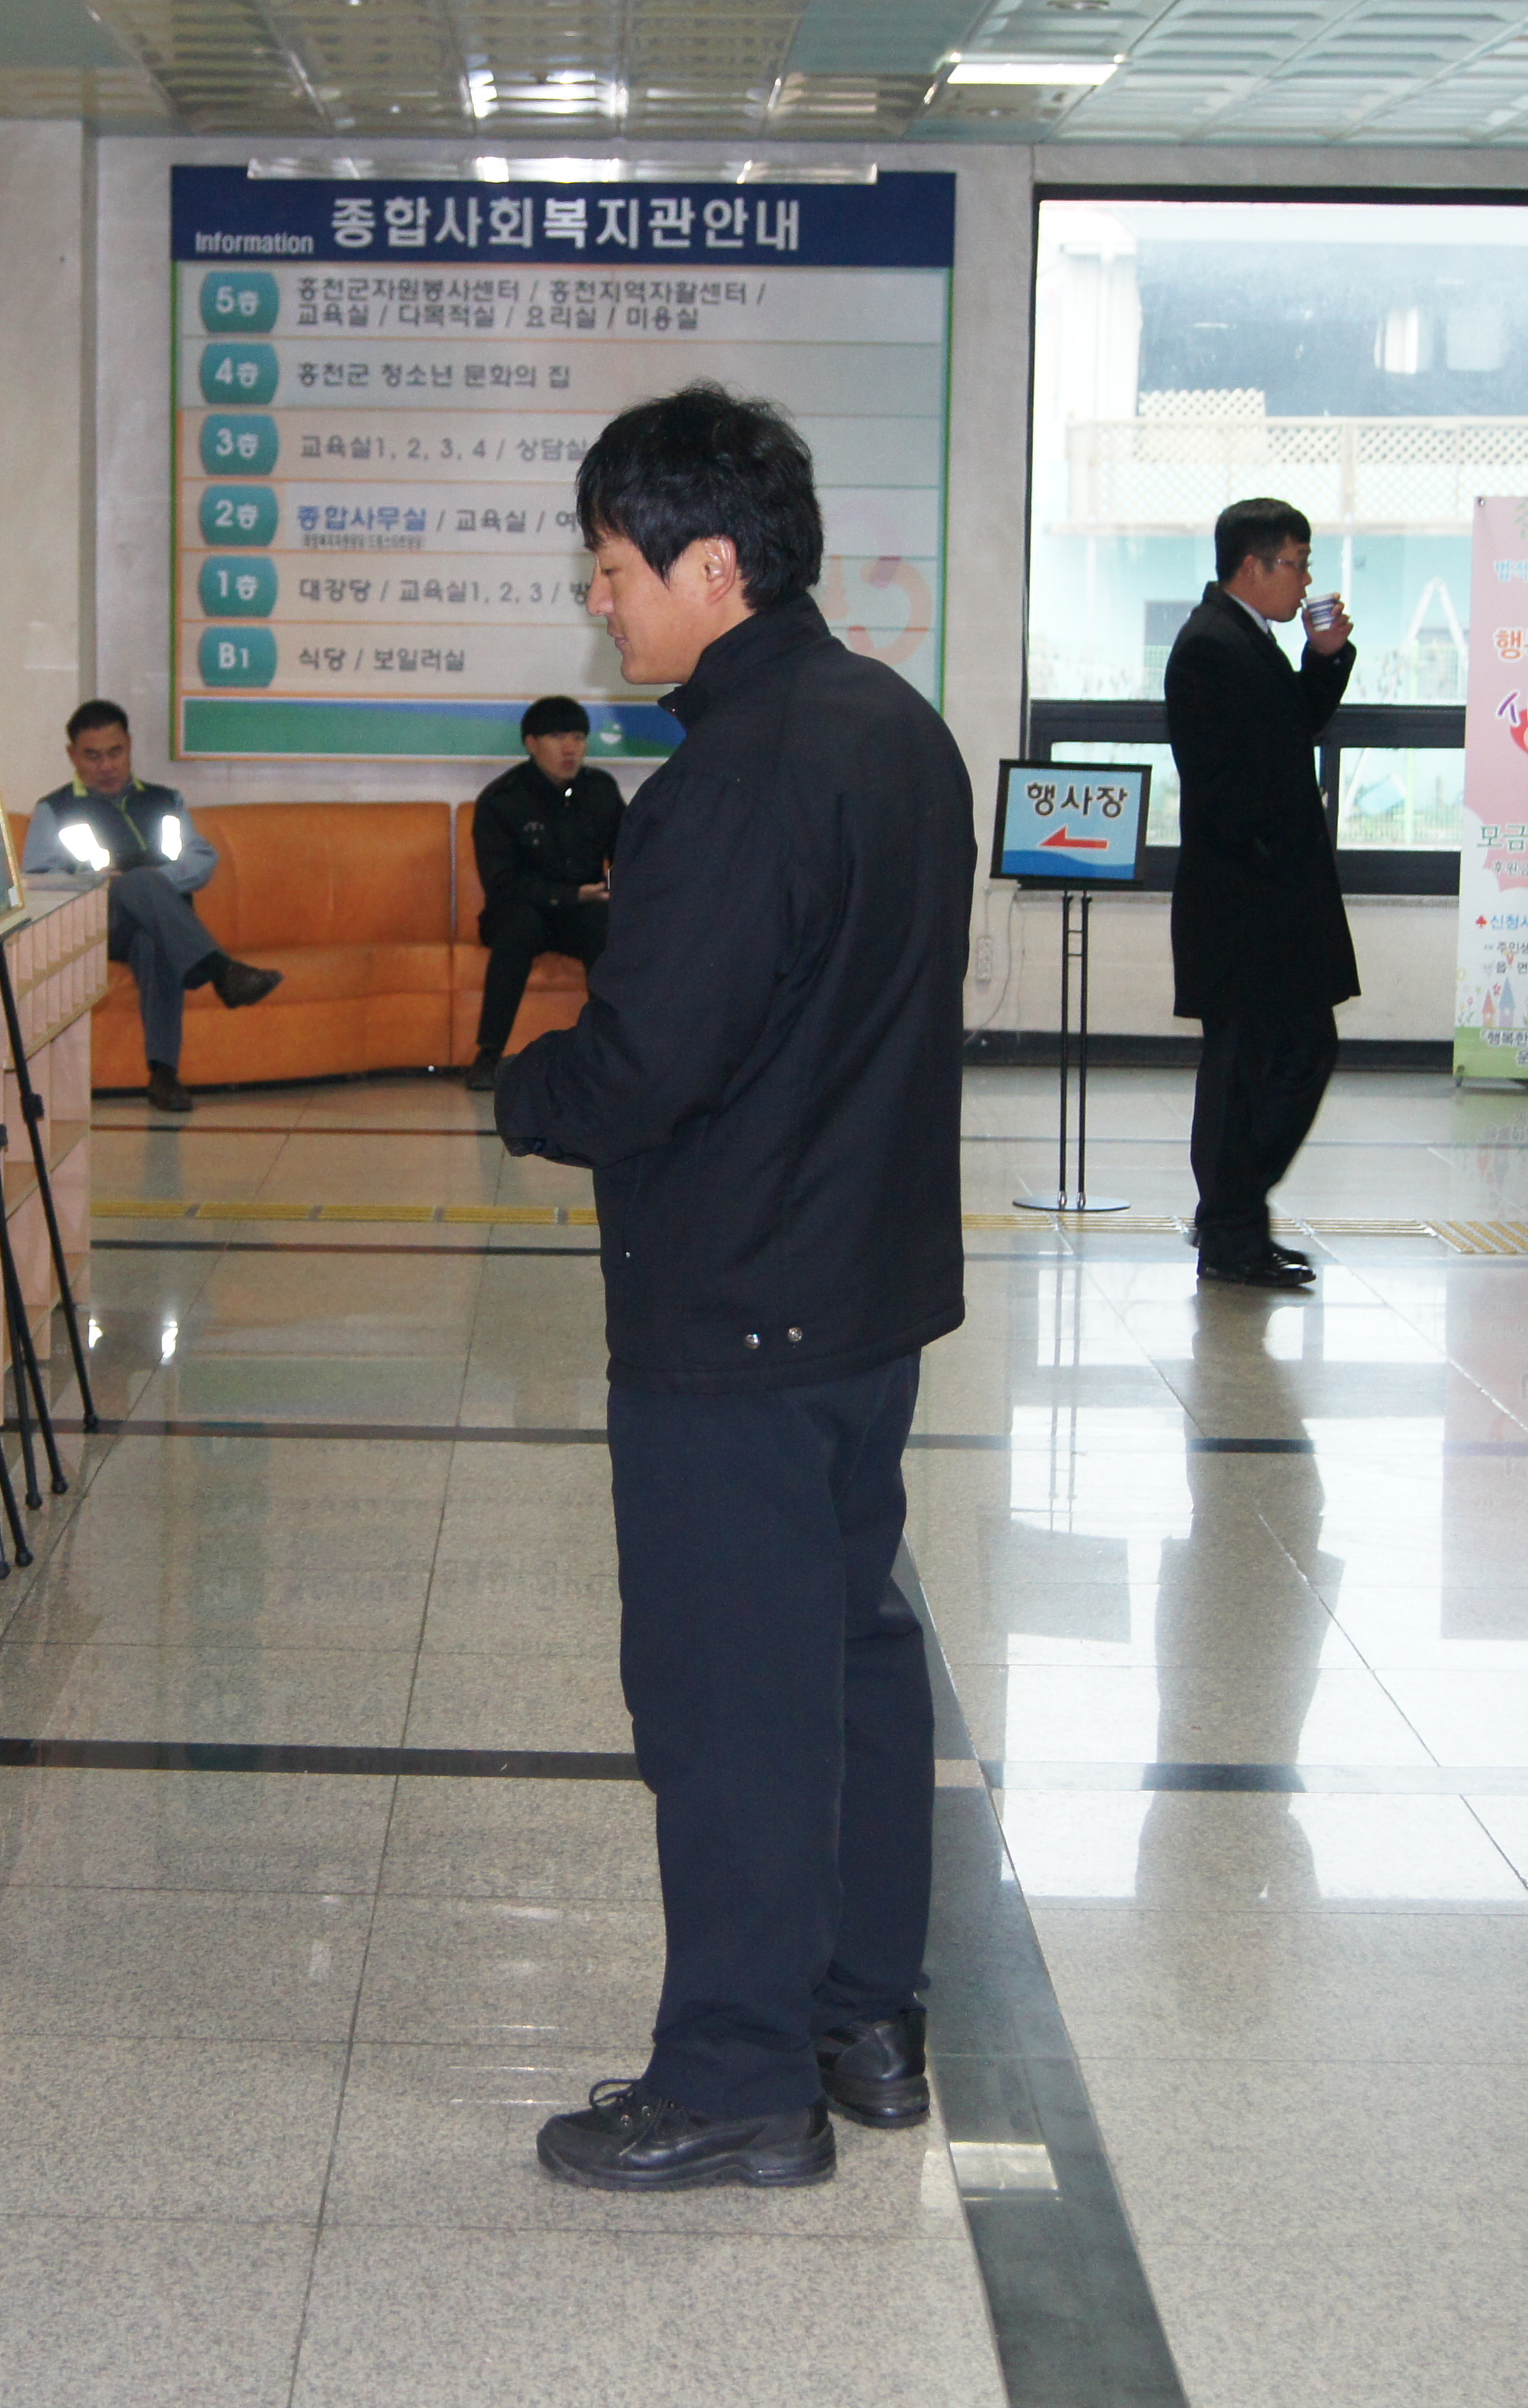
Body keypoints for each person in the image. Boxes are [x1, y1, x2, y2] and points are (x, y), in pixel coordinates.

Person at [494, 384, 972, 2193]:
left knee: (729, 1702)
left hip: (733, 1314)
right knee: (850, 1655)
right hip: (861, 1297)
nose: (599, 601)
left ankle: (734, 2076)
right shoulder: (897, 730)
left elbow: (645, 1066)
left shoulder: (732, 780)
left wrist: (522, 1088)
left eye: (613, 568)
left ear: (712, 567)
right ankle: (864, 2020)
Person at [1167, 496, 1359, 1291]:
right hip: (1245, 905)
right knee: (1250, 1068)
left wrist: (1324, 659)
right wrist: (1273, 853)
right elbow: (1222, 784)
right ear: (1254, 565)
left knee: (1290, 1055)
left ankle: (1232, 1218)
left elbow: (1288, 731)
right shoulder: (1209, 646)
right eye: (1297, 564)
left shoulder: (1247, 638)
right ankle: (1230, 1227)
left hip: (1273, 899)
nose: (1305, 581)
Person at [23, 699, 280, 1113]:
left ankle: (163, 1075)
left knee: (151, 937)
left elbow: (202, 858)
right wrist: (97, 884)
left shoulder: (165, 800)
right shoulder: (55, 809)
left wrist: (155, 883)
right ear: (72, 756)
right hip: (98, 923)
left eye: (115, 752)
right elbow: (36, 879)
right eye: (92, 756)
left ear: (129, 746)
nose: (106, 766)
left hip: (159, 923)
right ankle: (220, 970)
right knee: (137, 885)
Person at [465, 696, 624, 1092]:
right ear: (532, 743)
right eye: (558, 737)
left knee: (606, 924)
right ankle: (488, 1054)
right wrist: (571, 895)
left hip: (583, 912)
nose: (570, 748)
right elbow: (502, 883)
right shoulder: (502, 799)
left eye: (578, 737)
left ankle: (612, 1053)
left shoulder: (601, 790)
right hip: (519, 910)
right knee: (519, 927)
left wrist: (613, 888)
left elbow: (628, 854)